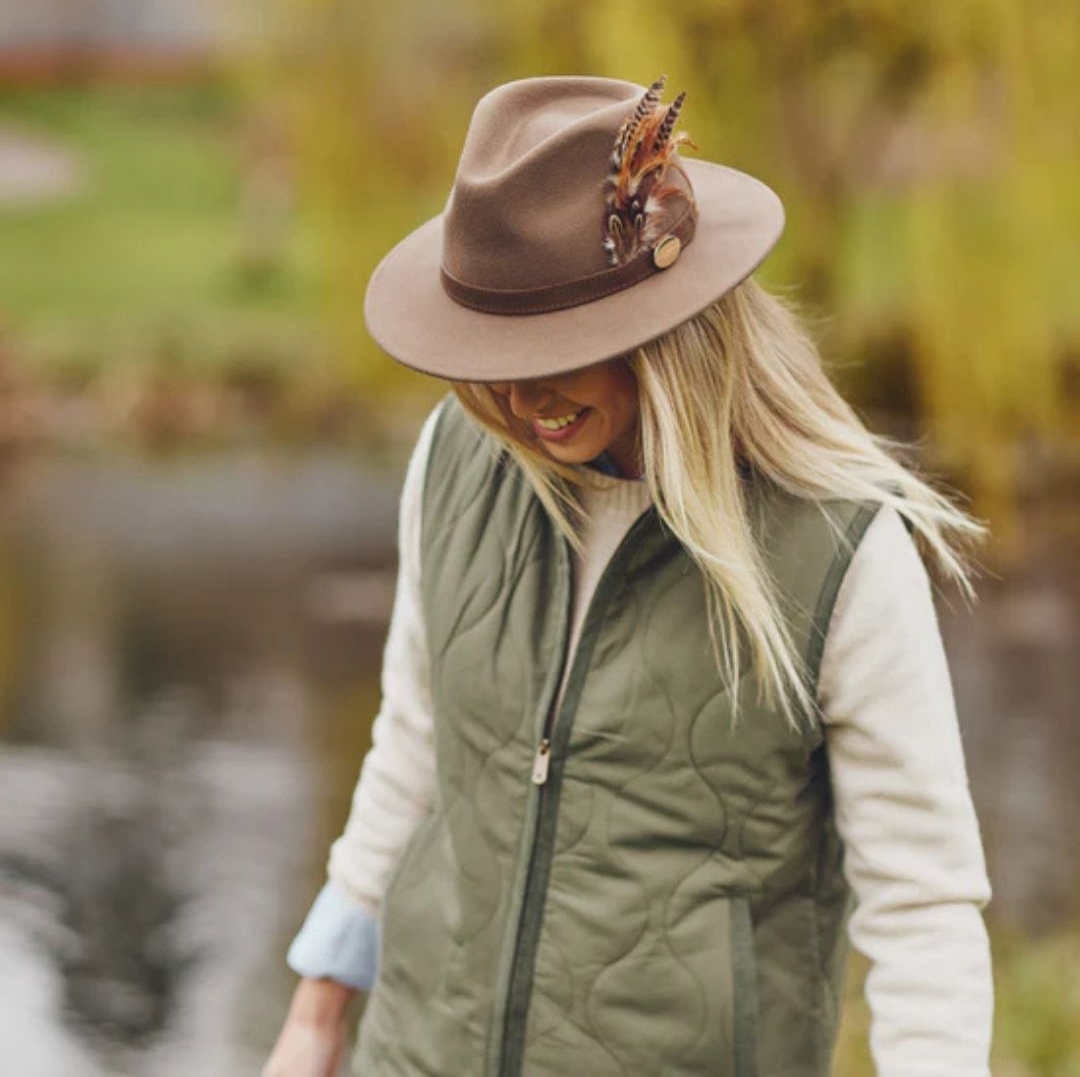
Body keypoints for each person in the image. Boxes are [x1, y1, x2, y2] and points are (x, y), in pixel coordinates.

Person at [263, 74, 994, 1077]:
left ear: (676, 330)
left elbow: (921, 908)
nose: (520, 397)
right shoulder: (452, 464)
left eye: (558, 344)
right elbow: (418, 743)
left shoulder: (841, 549)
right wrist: (318, 1008)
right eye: (492, 347)